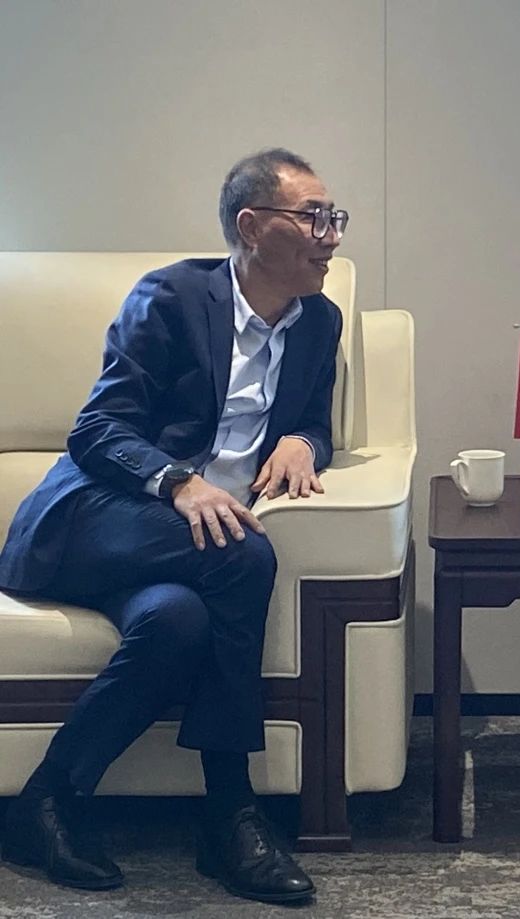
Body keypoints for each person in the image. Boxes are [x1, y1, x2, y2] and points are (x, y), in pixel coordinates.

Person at [0, 148, 347, 904]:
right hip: (94, 519)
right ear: (251, 227)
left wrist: (305, 441)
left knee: (178, 623)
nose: (330, 235)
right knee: (243, 555)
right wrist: (178, 482)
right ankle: (230, 812)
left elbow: (318, 422)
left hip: (181, 557)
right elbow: (97, 430)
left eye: (334, 219)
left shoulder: (320, 322)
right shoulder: (171, 298)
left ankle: (46, 801)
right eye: (312, 217)